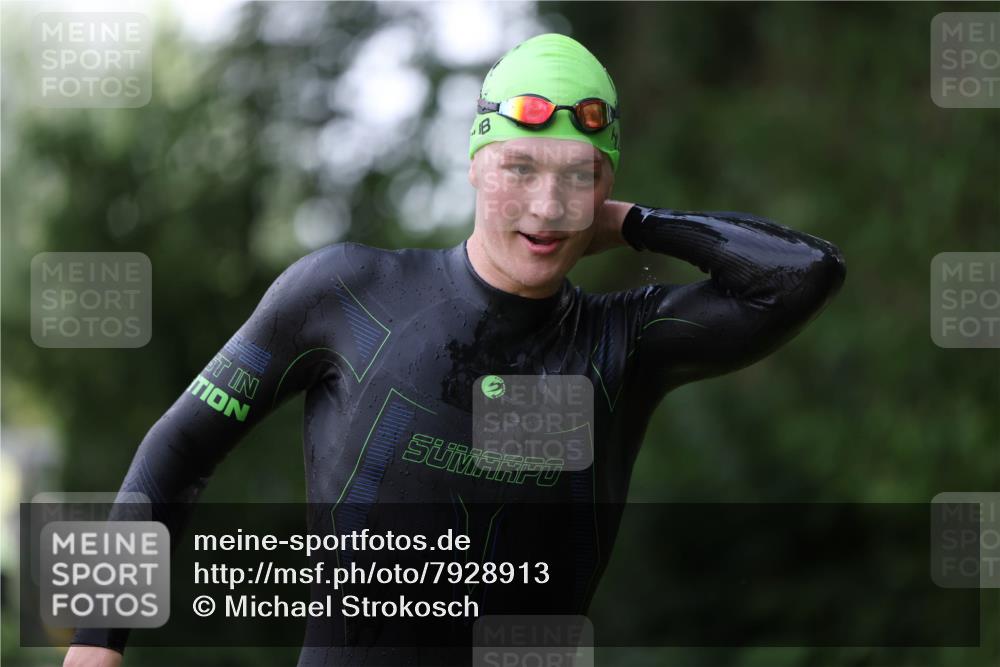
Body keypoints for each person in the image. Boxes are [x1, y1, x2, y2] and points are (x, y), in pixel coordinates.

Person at [64, 32, 845, 667]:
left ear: (606, 188)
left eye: (578, 177)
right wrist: (96, 642)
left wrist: (636, 222)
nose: (546, 206)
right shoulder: (346, 295)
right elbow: (176, 449)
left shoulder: (622, 345)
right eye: (520, 167)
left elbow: (806, 274)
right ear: (474, 163)